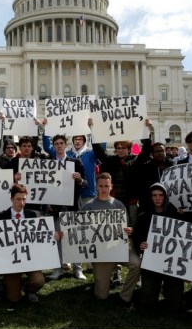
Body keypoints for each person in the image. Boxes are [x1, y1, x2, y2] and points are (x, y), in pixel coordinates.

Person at [82, 173, 141, 305]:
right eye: (101, 186)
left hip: (118, 248)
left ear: (111, 186)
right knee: (102, 297)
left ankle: (125, 296)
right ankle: (99, 284)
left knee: (137, 263)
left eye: (106, 186)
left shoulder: (118, 205)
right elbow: (80, 230)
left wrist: (129, 230)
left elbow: (125, 227)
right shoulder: (88, 206)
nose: (103, 189)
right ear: (97, 187)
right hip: (101, 253)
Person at [41, 133, 87, 280]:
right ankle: (57, 269)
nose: (59, 146)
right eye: (56, 144)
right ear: (53, 146)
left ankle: (77, 268)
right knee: (57, 238)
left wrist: (79, 179)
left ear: (66, 145)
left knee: (75, 238)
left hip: (72, 207)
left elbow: (86, 184)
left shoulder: (76, 162)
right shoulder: (48, 164)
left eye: (61, 143)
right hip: (55, 208)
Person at [135, 183, 184, 312]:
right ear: (150, 197)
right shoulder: (143, 216)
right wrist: (140, 244)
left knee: (176, 306)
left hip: (171, 264)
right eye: (154, 195)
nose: (157, 198)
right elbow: (136, 237)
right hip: (151, 263)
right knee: (148, 305)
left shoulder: (176, 215)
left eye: (161, 195)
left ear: (166, 196)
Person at [0, 183, 45, 304]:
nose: (21, 203)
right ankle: (11, 285)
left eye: (24, 199)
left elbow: (41, 236)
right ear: (11, 199)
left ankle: (29, 290)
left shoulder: (33, 215)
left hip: (30, 258)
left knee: (39, 281)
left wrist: (52, 236)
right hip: (11, 261)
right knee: (14, 299)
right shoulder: (0, 217)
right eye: (18, 199)